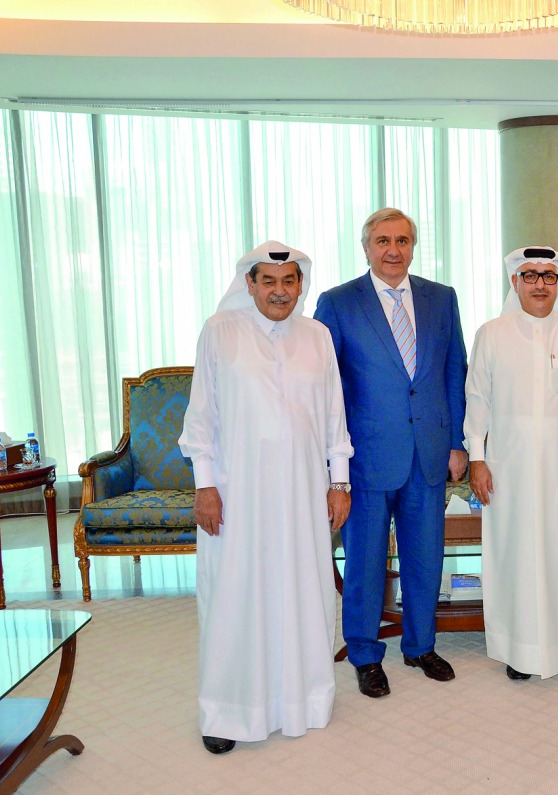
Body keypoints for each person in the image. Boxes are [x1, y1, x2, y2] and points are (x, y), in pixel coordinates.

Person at [179, 241, 353, 755]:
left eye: (290, 281)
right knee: (237, 594)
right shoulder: (220, 332)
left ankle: (302, 699)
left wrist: (338, 482)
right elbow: (201, 417)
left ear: (301, 285)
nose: (280, 292)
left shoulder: (317, 335)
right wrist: (205, 485)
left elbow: (333, 417)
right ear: (250, 284)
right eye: (269, 282)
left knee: (303, 587)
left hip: (302, 492)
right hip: (238, 492)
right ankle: (228, 710)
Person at [314, 208, 468, 696]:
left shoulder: (442, 298)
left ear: (413, 245)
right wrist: (332, 457)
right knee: (365, 558)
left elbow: (453, 372)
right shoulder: (337, 303)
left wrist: (457, 441)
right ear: (365, 247)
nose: (393, 250)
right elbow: (325, 384)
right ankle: (363, 652)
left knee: (426, 554)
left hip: (428, 450)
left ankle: (421, 644)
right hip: (366, 455)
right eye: (382, 240)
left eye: (402, 240)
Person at [464, 246, 558, 681]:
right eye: (530, 276)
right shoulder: (491, 334)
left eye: (549, 276)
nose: (540, 284)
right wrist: (477, 458)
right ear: (515, 282)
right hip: (508, 469)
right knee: (514, 553)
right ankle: (518, 649)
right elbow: (478, 400)